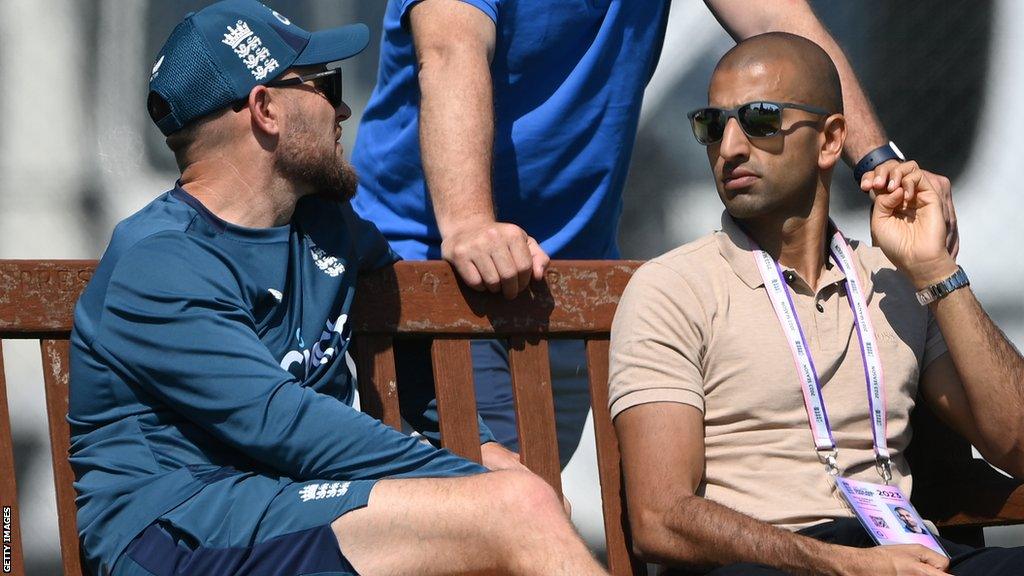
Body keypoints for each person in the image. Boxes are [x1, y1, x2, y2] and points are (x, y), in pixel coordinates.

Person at [68, 2, 607, 575]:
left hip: (286, 509)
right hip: (180, 532)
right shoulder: (159, 260)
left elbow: (414, 358)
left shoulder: (330, 229)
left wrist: (488, 455)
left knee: (517, 504)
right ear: (266, 108)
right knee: (517, 509)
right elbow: (283, 424)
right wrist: (479, 483)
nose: (344, 107)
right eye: (325, 85)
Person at [349, 0, 956, 461]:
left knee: (530, 510)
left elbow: (785, 25)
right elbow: (451, 48)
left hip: (563, 279)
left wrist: (881, 164)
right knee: (506, 524)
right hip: (436, 277)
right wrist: (471, 224)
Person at [609, 32, 1024, 575]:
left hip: (901, 551)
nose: (730, 146)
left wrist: (936, 270)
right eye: (712, 124)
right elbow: (659, 518)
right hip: (772, 563)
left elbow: (1015, 444)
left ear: (831, 140)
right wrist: (841, 565)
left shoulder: (893, 282)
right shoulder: (672, 288)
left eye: (759, 119)